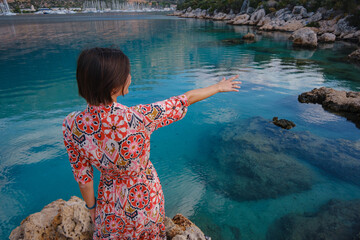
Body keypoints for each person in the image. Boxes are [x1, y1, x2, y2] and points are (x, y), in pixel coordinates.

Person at [62, 47, 241, 240]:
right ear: (113, 86)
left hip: (109, 198)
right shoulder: (138, 117)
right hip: (144, 195)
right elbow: (184, 100)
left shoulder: (72, 124)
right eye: (126, 74)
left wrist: (91, 208)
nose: (129, 76)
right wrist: (217, 87)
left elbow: (84, 177)